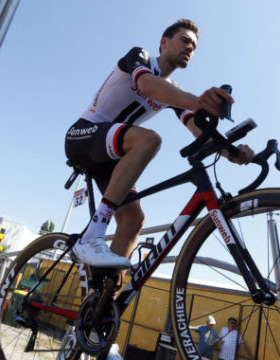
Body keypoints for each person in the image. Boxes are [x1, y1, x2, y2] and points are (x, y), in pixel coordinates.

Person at [65, 19, 255, 269]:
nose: (190, 48)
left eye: (194, 46)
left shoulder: (173, 90)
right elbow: (148, 85)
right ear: (164, 43)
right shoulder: (140, 56)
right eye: (185, 40)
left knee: (134, 219)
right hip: (82, 135)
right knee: (150, 139)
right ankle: (91, 236)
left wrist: (230, 151)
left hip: (111, 157)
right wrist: (199, 101)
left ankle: (103, 299)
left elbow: (197, 129)